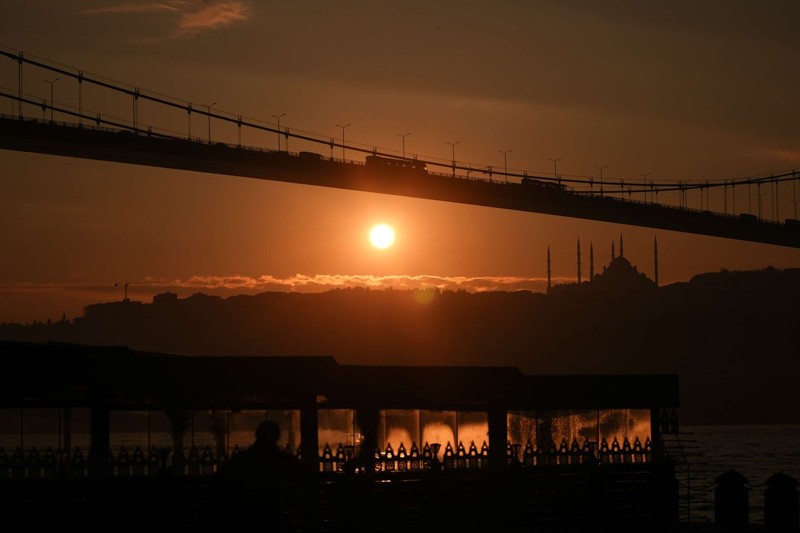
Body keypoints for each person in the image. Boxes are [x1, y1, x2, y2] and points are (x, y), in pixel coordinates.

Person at [216, 420, 308, 530]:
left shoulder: (242, 459)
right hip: (275, 513)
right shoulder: (284, 460)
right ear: (277, 437)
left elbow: (220, 479)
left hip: (245, 514)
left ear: (257, 435)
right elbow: (305, 474)